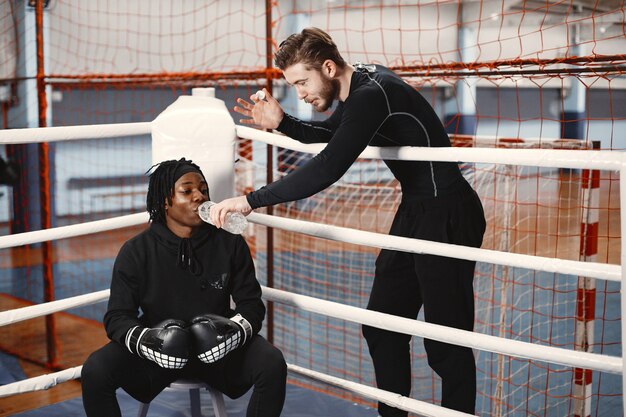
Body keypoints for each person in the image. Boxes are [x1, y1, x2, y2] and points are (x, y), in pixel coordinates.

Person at [211, 27, 486, 416]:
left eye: (303, 82)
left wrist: (251, 200)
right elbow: (330, 134)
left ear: (327, 66)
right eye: (294, 85)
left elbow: (328, 167)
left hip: (449, 213)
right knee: (381, 326)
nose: (301, 93)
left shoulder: (371, 94)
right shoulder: (359, 84)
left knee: (444, 342)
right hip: (417, 210)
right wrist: (283, 121)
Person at [81, 158, 287, 417]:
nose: (199, 196)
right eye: (187, 191)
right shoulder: (136, 251)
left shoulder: (229, 243)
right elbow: (117, 317)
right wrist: (148, 341)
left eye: (203, 189)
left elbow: (252, 305)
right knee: (95, 370)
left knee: (272, 363)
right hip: (159, 355)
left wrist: (234, 332)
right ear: (165, 201)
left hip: (217, 352)